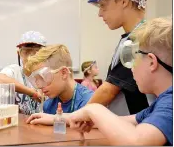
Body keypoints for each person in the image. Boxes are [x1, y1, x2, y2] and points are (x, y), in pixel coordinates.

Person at [69, 17, 173, 146]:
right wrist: (57, 118)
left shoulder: (170, 102)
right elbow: (123, 121)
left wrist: (93, 109)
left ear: (152, 62)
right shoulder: (160, 103)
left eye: (134, 58)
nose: (131, 68)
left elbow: (138, 141)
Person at [78, 0, 154, 115]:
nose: (100, 13)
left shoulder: (137, 40)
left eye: (103, 5)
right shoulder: (138, 36)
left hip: (139, 130)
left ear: (123, 0)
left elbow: (109, 90)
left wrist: (73, 117)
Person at [24, 44, 93, 125]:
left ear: (64, 73)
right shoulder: (48, 105)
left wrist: (57, 119)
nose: (40, 86)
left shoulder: (89, 100)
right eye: (37, 80)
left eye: (44, 77)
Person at [0, 31, 46, 115]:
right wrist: (32, 92)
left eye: (36, 52)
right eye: (26, 51)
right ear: (19, 53)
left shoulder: (48, 74)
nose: (30, 56)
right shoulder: (15, 71)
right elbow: (0, 79)